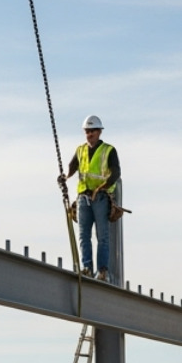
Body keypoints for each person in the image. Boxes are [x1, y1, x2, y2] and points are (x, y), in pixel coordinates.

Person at [58, 115, 121, 282]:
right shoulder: (81, 150)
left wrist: (101, 188)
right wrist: (66, 176)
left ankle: (102, 271)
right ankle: (86, 268)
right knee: (83, 235)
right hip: (83, 198)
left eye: (92, 131)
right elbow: (73, 166)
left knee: (102, 236)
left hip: (100, 197)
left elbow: (115, 173)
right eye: (87, 131)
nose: (89, 134)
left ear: (99, 132)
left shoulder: (108, 150)